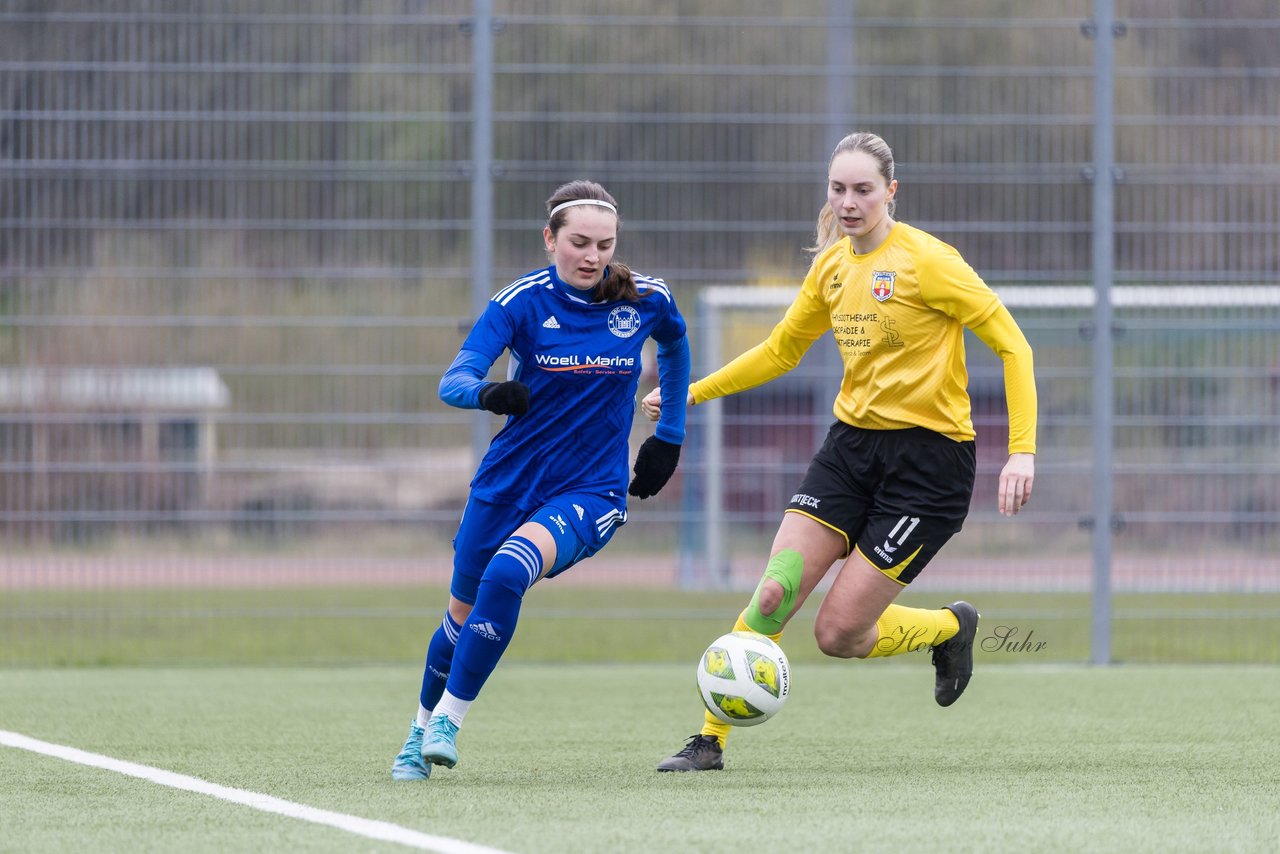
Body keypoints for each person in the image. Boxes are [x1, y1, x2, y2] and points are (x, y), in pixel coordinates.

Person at [646, 131, 1037, 772]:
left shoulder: (930, 261)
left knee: (838, 635)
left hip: (930, 467)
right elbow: (779, 351)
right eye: (838, 189)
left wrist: (1021, 451)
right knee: (774, 593)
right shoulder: (831, 266)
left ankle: (949, 627)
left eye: (863, 189)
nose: (849, 202)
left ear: (891, 191)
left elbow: (1013, 347)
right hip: (850, 450)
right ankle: (708, 740)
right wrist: (693, 392)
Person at [391, 180, 691, 780]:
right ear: (550, 239)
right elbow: (454, 378)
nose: (592, 256)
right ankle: (415, 735)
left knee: (509, 571)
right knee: (457, 620)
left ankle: (450, 719)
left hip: (591, 489)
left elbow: (677, 345)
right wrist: (489, 392)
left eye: (604, 244)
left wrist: (669, 437)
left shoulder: (647, 300)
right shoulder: (520, 303)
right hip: (508, 483)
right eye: (579, 242)